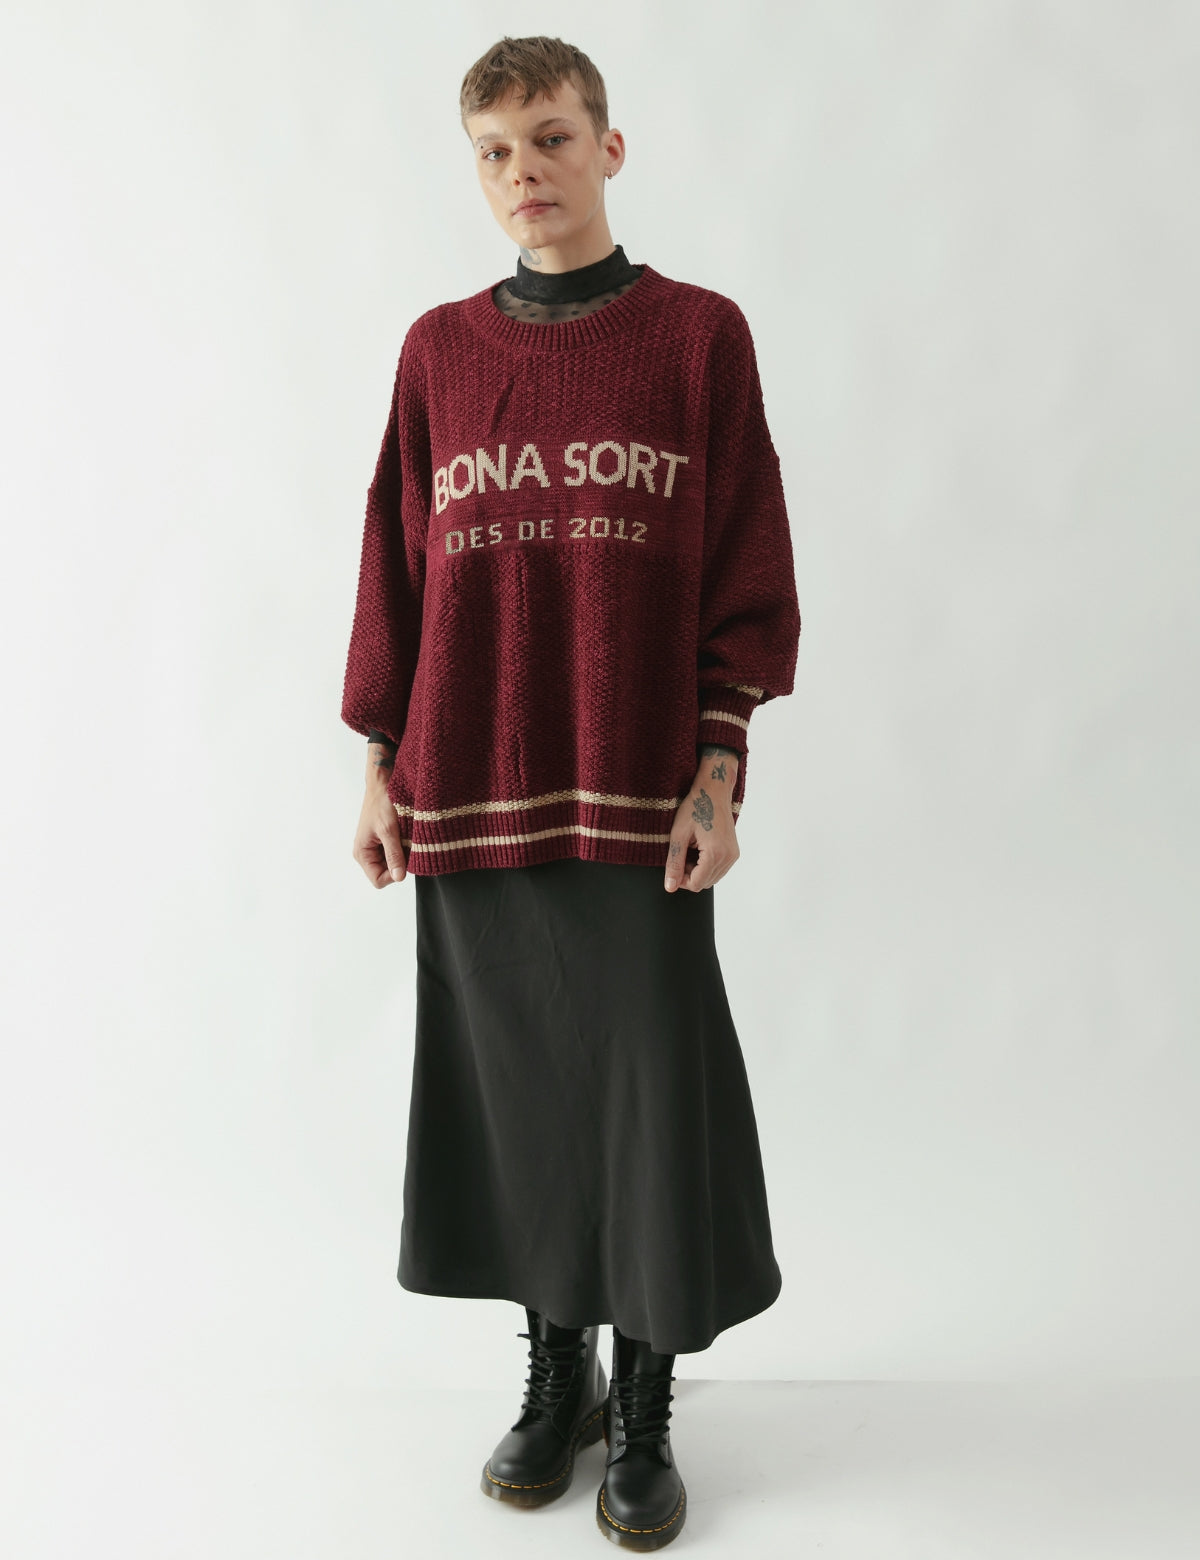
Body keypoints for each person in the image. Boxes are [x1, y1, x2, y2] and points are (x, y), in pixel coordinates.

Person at [341, 34, 801, 1551]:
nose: (523, 172)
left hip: (637, 787)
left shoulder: (698, 337)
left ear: (609, 147)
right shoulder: (438, 351)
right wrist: (378, 762)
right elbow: (396, 566)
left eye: (549, 137)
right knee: (523, 1096)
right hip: (470, 784)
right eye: (494, 151)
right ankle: (561, 1379)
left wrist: (719, 766)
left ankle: (647, 1401)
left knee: (646, 1099)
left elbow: (742, 555)